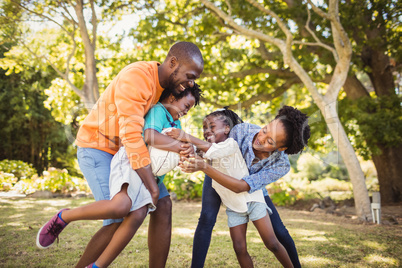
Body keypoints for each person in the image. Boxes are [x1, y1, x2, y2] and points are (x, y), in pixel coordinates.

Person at [38, 41, 203, 268]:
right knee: (119, 215)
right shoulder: (137, 78)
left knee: (163, 205)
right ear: (173, 63)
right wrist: (152, 186)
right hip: (98, 148)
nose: (191, 83)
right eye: (190, 76)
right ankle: (64, 218)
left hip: (127, 154)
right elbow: (135, 136)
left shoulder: (170, 90)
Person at [178, 106, 310, 268]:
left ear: (281, 148)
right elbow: (216, 148)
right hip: (218, 173)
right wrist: (196, 154)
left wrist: (203, 167)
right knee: (206, 219)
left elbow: (242, 186)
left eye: (270, 141)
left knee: (279, 232)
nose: (261, 139)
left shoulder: (280, 164)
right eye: (264, 130)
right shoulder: (241, 131)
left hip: (250, 189)